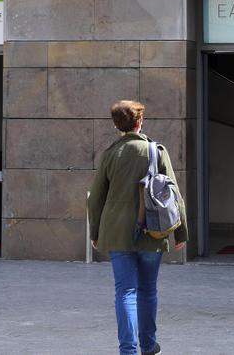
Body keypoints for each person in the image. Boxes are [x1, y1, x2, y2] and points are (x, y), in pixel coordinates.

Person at [88, 100, 188, 355]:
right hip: (152, 231)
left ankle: (128, 350)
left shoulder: (111, 154)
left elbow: (96, 197)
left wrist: (95, 232)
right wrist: (181, 231)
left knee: (125, 291)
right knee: (147, 290)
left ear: (116, 125)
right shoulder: (156, 151)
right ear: (140, 122)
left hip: (116, 232)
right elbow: (174, 194)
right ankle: (148, 345)